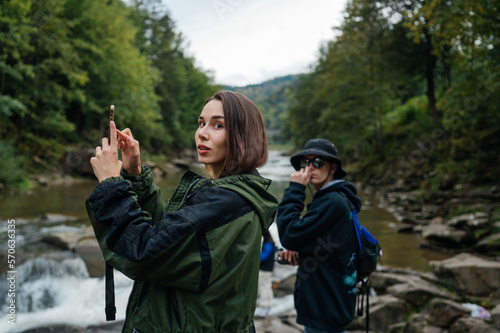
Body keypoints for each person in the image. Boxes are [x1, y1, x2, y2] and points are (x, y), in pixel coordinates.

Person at [85, 91, 278, 333]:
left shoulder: (223, 204)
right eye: (201, 123)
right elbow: (164, 236)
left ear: (243, 136)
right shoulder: (236, 195)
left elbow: (142, 253)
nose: (202, 133)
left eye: (217, 125)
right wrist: (134, 175)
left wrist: (111, 186)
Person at [276, 138, 360, 333]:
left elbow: (289, 234)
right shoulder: (341, 198)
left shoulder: (331, 202)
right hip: (332, 303)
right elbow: (331, 246)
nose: (311, 167)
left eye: (318, 162)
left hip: (324, 307)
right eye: (306, 162)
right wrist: (302, 252)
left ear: (333, 168)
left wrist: (296, 188)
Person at [255, 230, 275, 318]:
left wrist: (254, 255)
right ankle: (268, 308)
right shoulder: (271, 243)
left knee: (263, 287)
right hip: (268, 270)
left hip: (264, 270)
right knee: (267, 287)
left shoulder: (268, 244)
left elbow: (263, 256)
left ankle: (263, 308)